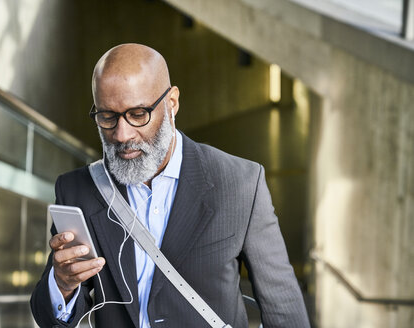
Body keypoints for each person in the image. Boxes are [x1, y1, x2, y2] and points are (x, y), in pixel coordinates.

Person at [30, 43, 310, 328]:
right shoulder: (76, 189)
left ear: (172, 102)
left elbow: (283, 306)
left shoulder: (240, 182)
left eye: (138, 114)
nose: (121, 134)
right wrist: (62, 285)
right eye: (107, 116)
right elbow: (47, 316)